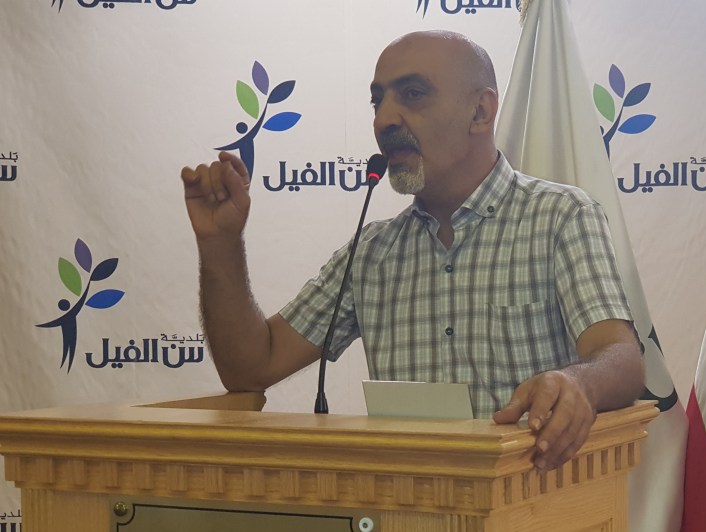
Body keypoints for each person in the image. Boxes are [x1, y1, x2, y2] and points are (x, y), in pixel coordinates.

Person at [181, 30, 643, 472]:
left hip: (533, 510)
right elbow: (251, 367)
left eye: (413, 94)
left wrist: (577, 382)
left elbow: (621, 359)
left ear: (480, 112)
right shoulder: (372, 253)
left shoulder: (560, 217)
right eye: (377, 100)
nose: (384, 119)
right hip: (407, 513)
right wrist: (220, 242)